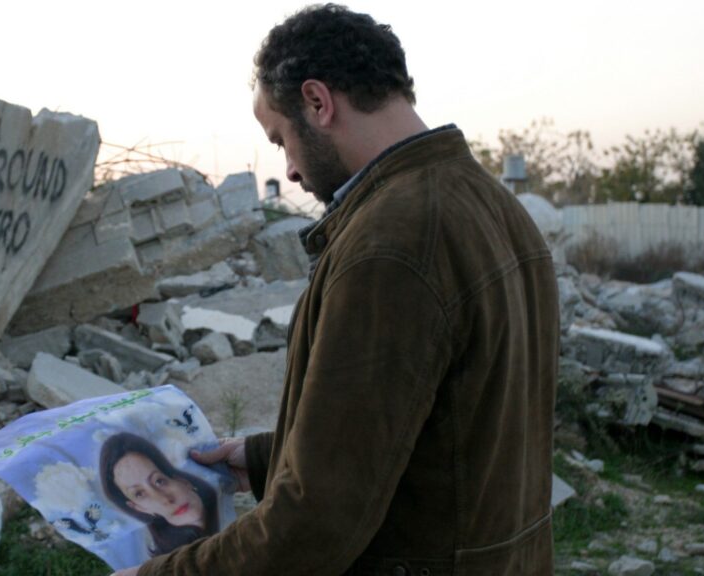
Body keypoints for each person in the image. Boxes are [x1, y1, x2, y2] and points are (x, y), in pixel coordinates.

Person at [114, 4, 558, 575]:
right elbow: (443, 422)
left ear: (318, 103)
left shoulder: (389, 245)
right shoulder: (488, 201)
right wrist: (263, 457)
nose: (292, 172)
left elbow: (316, 524)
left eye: (279, 140)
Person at [100, 432, 220, 556]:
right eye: (140, 494)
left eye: (159, 481)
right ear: (138, 508)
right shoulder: (168, 566)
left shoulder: (230, 502)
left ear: (181, 478)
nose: (165, 499)